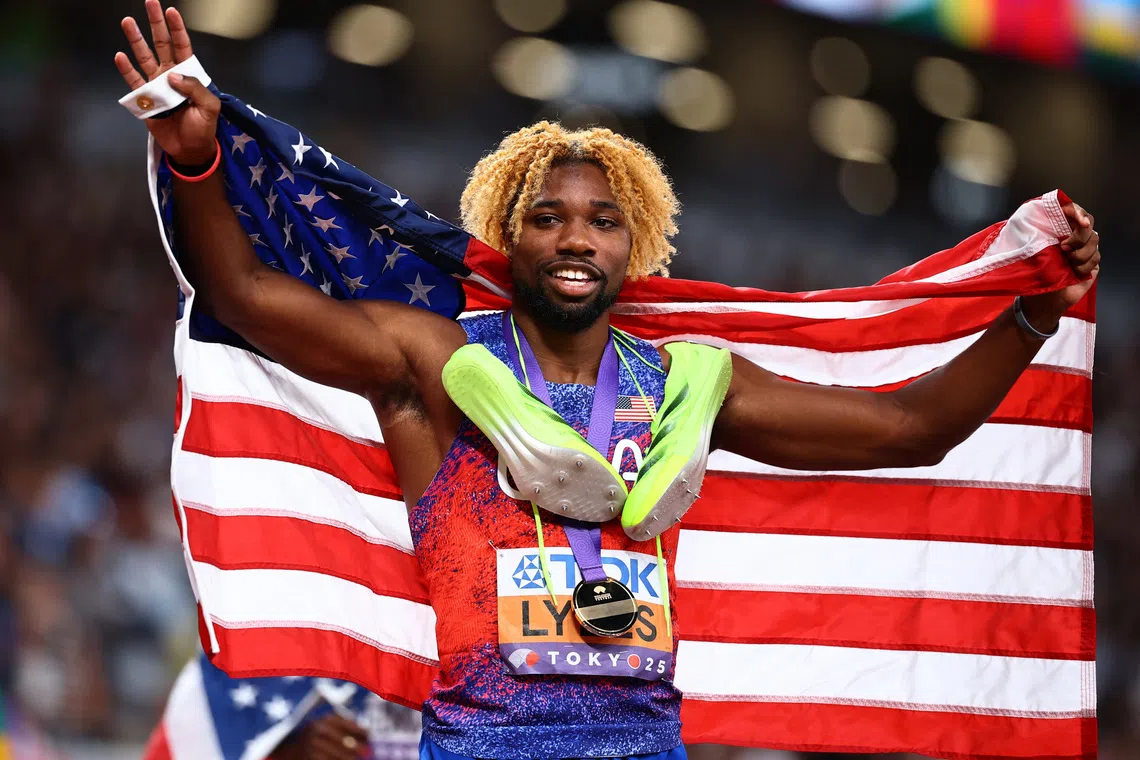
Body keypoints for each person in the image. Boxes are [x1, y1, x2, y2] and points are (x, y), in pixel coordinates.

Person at [113, 3, 1101, 760]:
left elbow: (909, 429)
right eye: (547, 216)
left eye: (601, 219)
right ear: (510, 233)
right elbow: (242, 294)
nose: (575, 236)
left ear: (637, 245)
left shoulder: (682, 381)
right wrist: (198, 164)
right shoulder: (428, 361)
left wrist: (1028, 318)